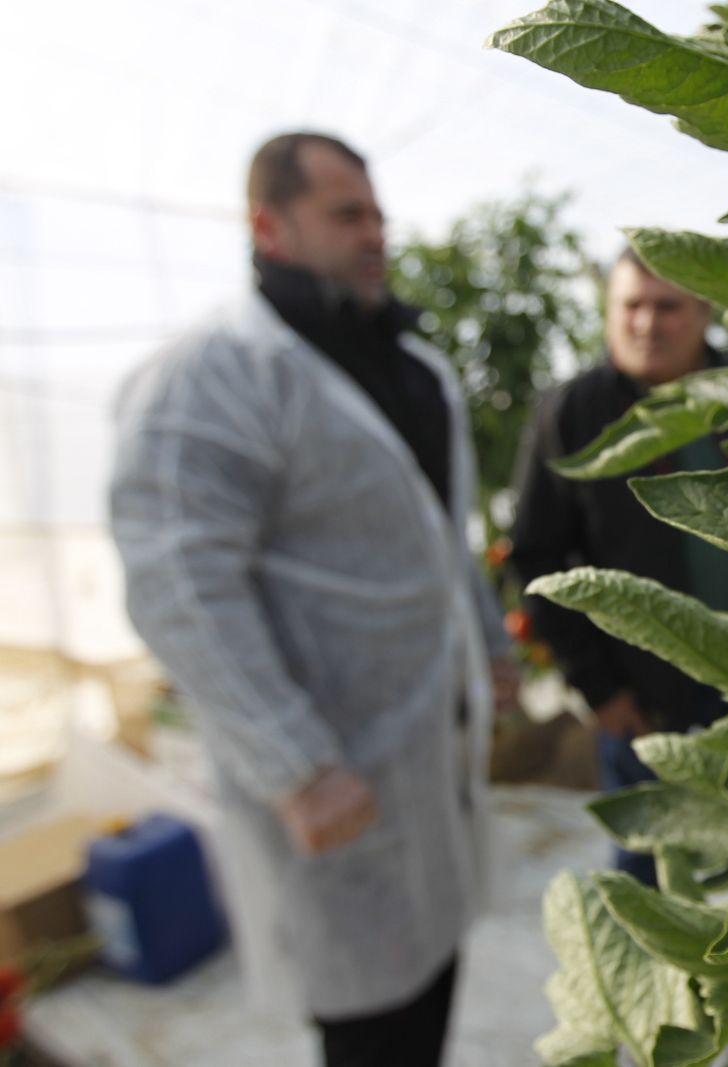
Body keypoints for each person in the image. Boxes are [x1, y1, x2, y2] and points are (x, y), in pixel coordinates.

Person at [108, 131, 518, 1067]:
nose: (374, 234)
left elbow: (441, 532)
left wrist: (488, 648)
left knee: (431, 982)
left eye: (376, 213)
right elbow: (178, 579)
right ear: (269, 224)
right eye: (346, 214)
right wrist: (295, 762)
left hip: (427, 757)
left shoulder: (417, 371)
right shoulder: (221, 373)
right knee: (370, 1023)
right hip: (340, 771)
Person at [508, 250, 728, 884]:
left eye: (667, 306)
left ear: (704, 312)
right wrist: (600, 689)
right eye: (631, 305)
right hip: (646, 699)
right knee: (654, 861)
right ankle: (667, 980)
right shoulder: (576, 411)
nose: (646, 324)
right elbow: (535, 555)